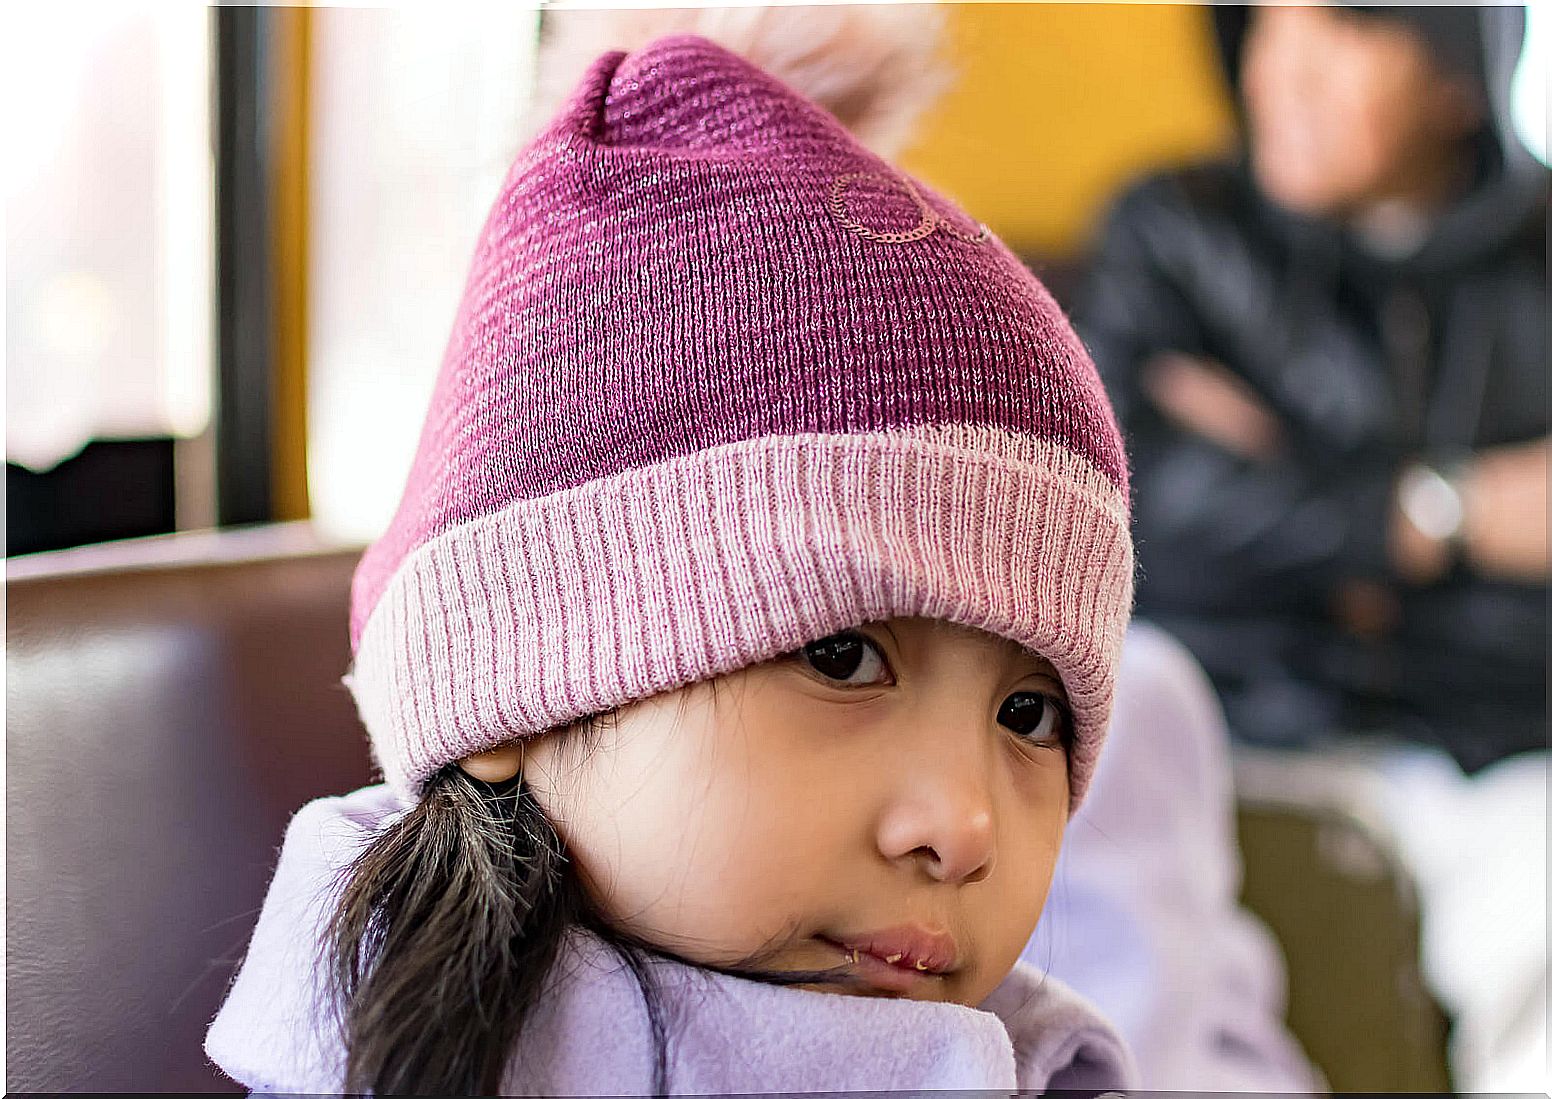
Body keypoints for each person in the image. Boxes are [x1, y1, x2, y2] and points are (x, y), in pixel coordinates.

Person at [205, 36, 1141, 1095]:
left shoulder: (1041, 1059)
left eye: (1029, 716)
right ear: (519, 694)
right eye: (841, 655)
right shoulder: (396, 1048)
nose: (963, 827)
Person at [1078, 5, 1546, 1089]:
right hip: (1240, 734)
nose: (1282, 71)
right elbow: (1132, 515)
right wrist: (1451, 513)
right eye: (1265, 26)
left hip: (1502, 756)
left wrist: (1285, 481)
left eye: (1343, 31)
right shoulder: (1174, 233)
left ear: (1457, 77)